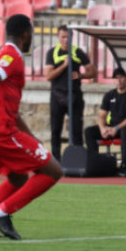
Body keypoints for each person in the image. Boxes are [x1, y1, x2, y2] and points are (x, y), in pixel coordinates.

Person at [0, 15, 64, 240]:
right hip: (0, 132)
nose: (32, 37)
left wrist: (31, 136)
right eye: (31, 32)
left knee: (18, 179)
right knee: (54, 171)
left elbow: (10, 107)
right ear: (25, 34)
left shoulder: (8, 55)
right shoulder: (11, 55)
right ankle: (1, 212)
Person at [44, 25, 95, 162]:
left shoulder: (78, 52)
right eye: (63, 37)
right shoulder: (52, 53)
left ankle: (77, 159)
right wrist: (64, 65)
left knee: (76, 129)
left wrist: (80, 75)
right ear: (58, 37)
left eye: (68, 36)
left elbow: (92, 71)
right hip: (57, 94)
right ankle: (56, 159)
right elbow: (48, 76)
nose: (66, 40)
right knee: (56, 129)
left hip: (75, 94)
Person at [84, 67, 126, 176]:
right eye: (116, 78)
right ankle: (95, 162)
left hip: (124, 127)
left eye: (121, 77)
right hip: (111, 127)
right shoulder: (109, 95)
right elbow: (101, 115)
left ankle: (125, 164)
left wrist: (116, 128)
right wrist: (103, 128)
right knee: (89, 131)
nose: (119, 80)